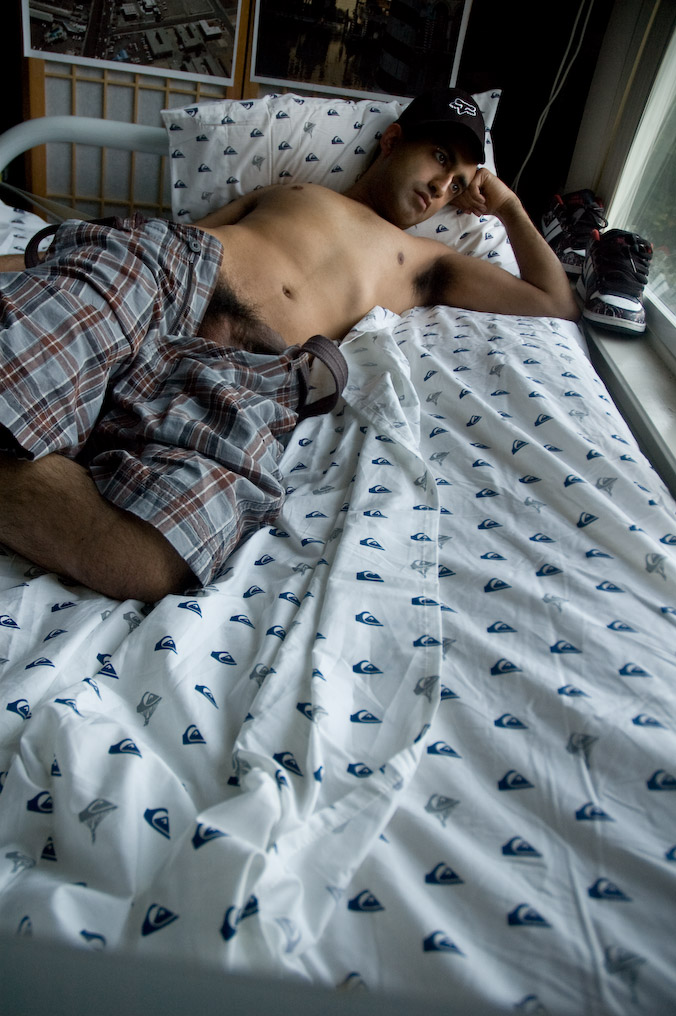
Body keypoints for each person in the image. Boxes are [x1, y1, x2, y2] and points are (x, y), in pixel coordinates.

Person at [0, 88, 578, 602]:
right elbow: (178, 240)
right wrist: (29, 268)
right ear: (392, 141)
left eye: (458, 185)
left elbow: (554, 300)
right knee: (25, 356)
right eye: (440, 157)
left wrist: (508, 207)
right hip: (171, 275)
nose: (441, 186)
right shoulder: (294, 190)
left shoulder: (429, 263)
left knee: (153, 560)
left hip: (249, 371)